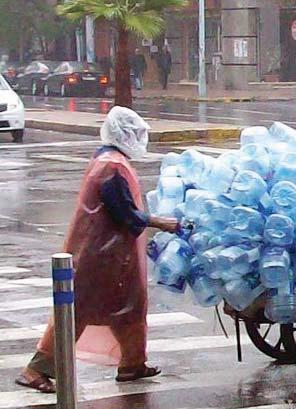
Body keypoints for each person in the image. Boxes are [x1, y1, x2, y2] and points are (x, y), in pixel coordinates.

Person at [15, 106, 181, 393]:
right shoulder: (111, 166)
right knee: (79, 310)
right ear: (125, 134)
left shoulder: (108, 159)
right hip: (98, 254)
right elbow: (125, 213)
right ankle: (35, 369)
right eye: (137, 133)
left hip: (113, 253)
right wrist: (161, 223)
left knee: (130, 306)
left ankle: (132, 363)